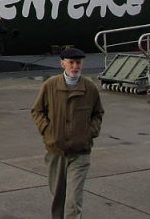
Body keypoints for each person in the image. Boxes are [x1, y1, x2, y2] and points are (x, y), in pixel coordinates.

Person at [32, 47, 104, 219]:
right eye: (71, 62)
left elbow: (98, 113)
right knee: (58, 199)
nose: (75, 66)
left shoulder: (90, 88)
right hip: (56, 151)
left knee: (73, 200)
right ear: (62, 63)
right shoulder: (50, 86)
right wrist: (48, 131)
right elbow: (37, 111)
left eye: (78, 63)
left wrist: (89, 132)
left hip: (80, 152)